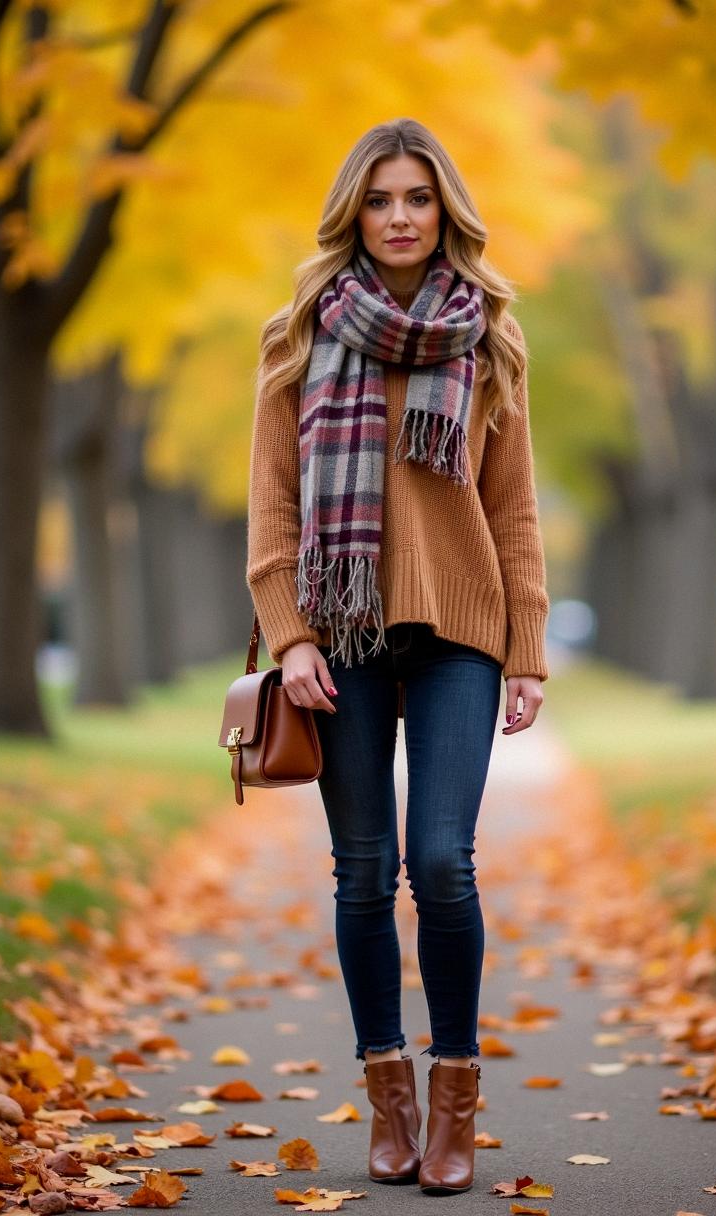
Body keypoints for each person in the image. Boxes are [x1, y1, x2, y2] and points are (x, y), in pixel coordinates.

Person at [247, 117, 548, 1196]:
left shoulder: (489, 337)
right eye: (381, 200)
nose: (401, 217)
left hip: (462, 632)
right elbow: (273, 505)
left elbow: (512, 513)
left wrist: (528, 651)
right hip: (344, 638)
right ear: (354, 215)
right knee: (364, 870)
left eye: (418, 198)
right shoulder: (297, 337)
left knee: (443, 862)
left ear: (445, 209)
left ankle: (456, 1092)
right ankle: (390, 1094)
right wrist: (289, 634)